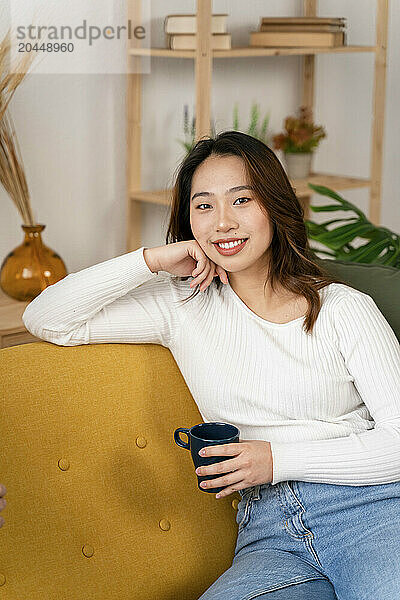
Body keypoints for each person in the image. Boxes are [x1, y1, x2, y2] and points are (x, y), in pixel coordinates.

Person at [22, 131, 400, 599]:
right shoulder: (182, 306)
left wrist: (276, 459)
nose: (222, 223)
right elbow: (46, 318)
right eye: (204, 206)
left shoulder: (343, 309)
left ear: (274, 206)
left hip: (372, 511)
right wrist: (152, 261)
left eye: (241, 200)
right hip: (269, 532)